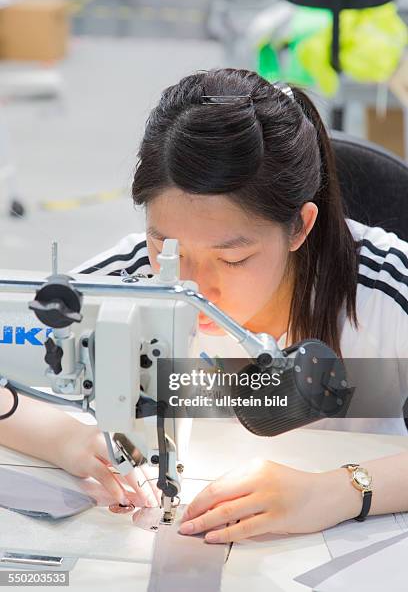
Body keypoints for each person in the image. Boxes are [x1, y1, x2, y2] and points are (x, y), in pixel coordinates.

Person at [1, 68, 407, 541]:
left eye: (232, 257)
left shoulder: (383, 289)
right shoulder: (129, 282)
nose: (192, 289)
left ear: (299, 227)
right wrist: (64, 437)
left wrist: (338, 491)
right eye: (168, 251)